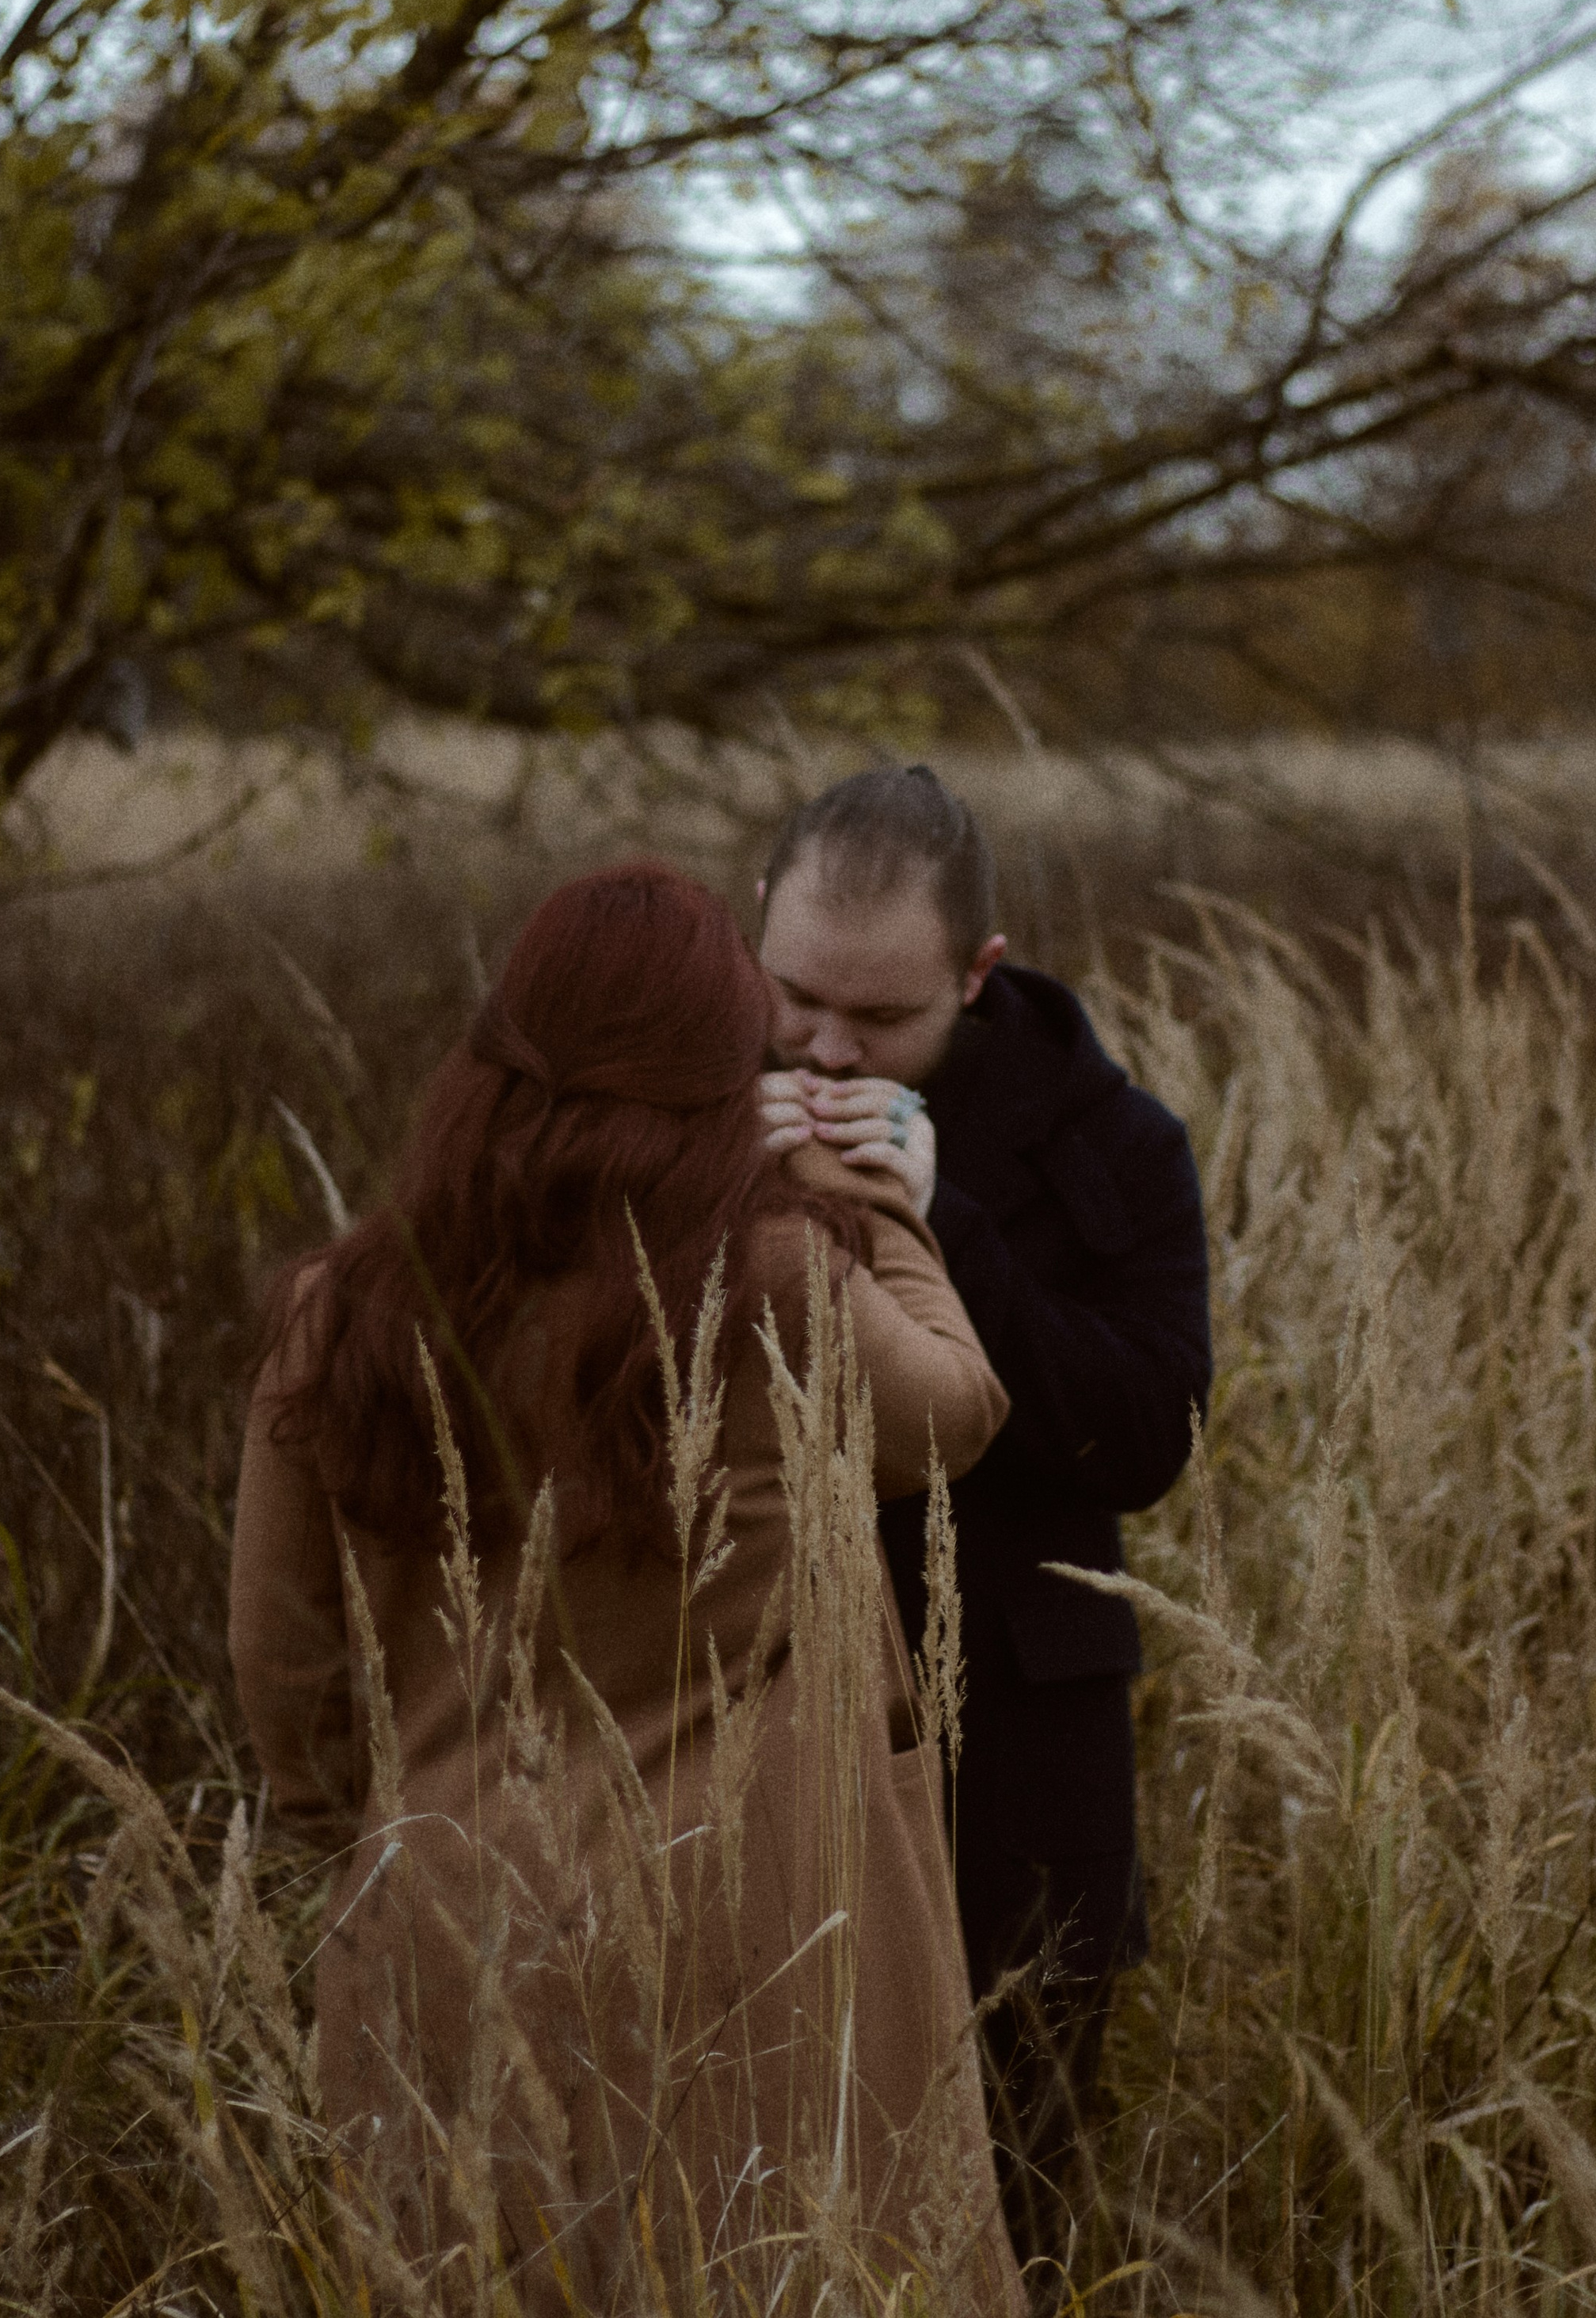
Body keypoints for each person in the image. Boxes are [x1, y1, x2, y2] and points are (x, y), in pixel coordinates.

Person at [229, 860, 1025, 2315]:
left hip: (447, 1921)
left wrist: (370, 1842)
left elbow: (286, 1679)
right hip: (749, 1931)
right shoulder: (777, 1276)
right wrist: (875, 1201)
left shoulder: (341, 1311)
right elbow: (957, 1410)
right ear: (725, 1085)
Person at [758, 769, 1212, 2289]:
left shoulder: (1118, 1146)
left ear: (980, 975)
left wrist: (951, 1229)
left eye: (877, 1020)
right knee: (763, 2161)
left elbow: (1150, 1438)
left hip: (1015, 1734)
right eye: (796, 997)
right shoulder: (683, 1103)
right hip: (752, 1704)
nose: (826, 1048)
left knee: (1015, 2185)